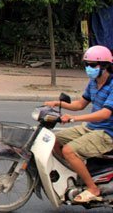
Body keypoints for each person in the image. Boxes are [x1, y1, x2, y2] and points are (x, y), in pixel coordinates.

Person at [44, 45, 113, 203]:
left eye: (92, 65)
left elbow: (105, 113)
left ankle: (93, 188)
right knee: (53, 140)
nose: (89, 68)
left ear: (104, 65)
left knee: (69, 151)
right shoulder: (93, 82)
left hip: (107, 133)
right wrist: (57, 103)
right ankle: (77, 173)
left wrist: (75, 118)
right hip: (91, 128)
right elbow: (80, 104)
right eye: (86, 65)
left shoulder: (112, 85)